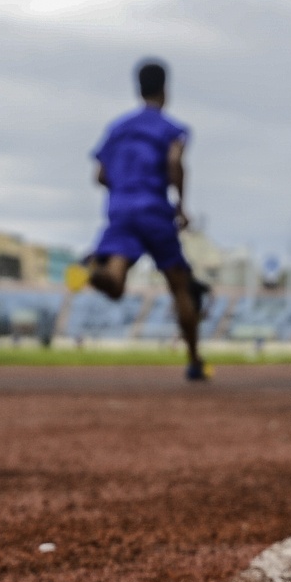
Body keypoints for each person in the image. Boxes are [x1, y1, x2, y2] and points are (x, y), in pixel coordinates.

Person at [83, 58, 209, 381]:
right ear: (165, 90)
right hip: (153, 207)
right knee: (180, 285)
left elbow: (100, 175)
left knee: (116, 280)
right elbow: (175, 162)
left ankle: (104, 272)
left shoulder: (117, 129)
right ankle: (194, 361)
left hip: (119, 208)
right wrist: (180, 205)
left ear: (137, 89)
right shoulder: (171, 129)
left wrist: (124, 186)